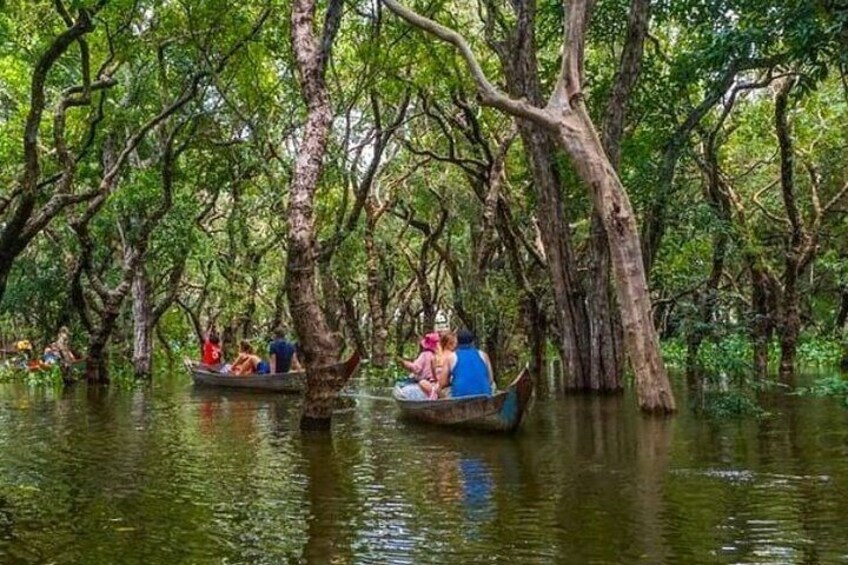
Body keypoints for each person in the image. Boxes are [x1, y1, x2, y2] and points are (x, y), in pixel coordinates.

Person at [446, 329, 493, 398]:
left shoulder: (451, 357)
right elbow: (490, 379)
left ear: (457, 342)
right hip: (484, 396)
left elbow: (442, 383)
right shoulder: (483, 355)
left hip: (459, 398)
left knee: (441, 390)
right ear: (472, 342)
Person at [394, 332, 440, 400]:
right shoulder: (438, 355)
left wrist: (403, 362)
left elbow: (416, 368)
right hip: (435, 383)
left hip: (426, 382)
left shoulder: (424, 355)